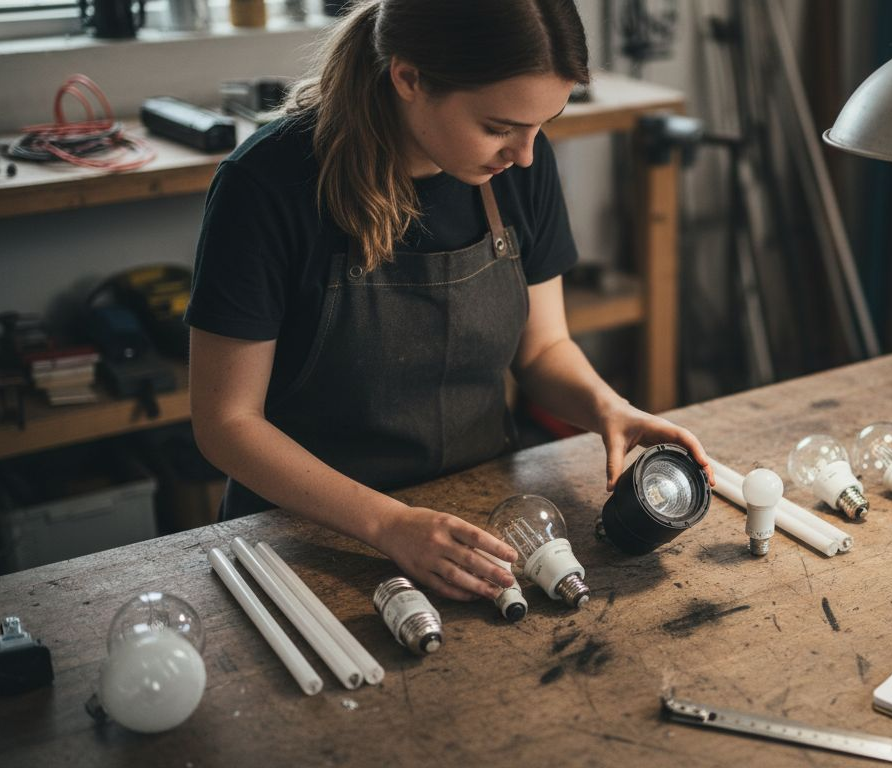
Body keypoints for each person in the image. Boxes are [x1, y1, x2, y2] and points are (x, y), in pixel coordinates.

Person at [187, 0, 711, 604]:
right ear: (408, 78)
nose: (526, 155)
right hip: (304, 540)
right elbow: (226, 425)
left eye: (542, 124)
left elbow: (542, 349)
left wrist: (608, 408)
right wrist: (387, 523)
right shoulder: (265, 185)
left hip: (479, 518)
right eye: (497, 127)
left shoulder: (516, 167)